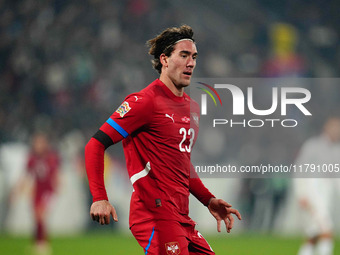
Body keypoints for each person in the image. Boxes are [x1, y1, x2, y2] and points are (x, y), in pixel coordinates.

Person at [85, 25, 241, 255]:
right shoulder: (144, 102)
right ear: (164, 59)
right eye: (184, 55)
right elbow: (95, 145)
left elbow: (181, 164)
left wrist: (208, 200)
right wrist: (99, 197)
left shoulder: (192, 109)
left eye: (194, 57)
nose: (191, 63)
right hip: (153, 215)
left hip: (181, 217)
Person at [294, 117, 340, 255]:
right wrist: (301, 193)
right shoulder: (312, 146)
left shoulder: (337, 150)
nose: (336, 131)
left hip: (327, 192)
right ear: (326, 128)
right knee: (326, 228)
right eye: (334, 128)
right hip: (312, 190)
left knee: (314, 232)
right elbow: (300, 170)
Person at [11, 132, 60, 255]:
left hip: (48, 191)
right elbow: (26, 176)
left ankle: (43, 244)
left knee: (40, 215)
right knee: (36, 218)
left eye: (40, 142)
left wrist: (57, 186)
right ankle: (38, 244)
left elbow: (55, 175)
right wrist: (17, 191)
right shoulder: (32, 158)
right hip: (37, 191)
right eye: (36, 143)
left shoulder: (51, 157)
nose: (38, 145)